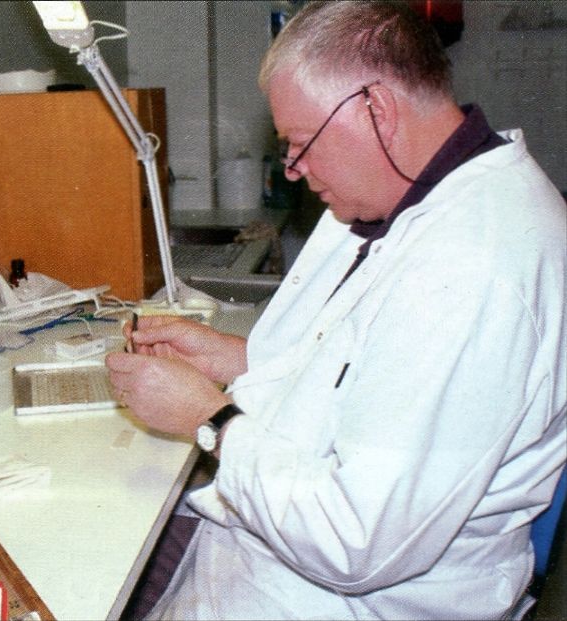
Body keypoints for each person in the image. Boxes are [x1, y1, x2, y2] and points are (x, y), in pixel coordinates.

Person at [105, 2, 567, 619]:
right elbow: (364, 369)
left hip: (346, 598)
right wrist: (232, 359)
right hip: (274, 549)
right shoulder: (414, 195)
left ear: (376, 109)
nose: (293, 170)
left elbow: (357, 545)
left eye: (301, 143)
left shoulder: (476, 268)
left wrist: (208, 419)